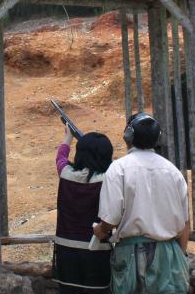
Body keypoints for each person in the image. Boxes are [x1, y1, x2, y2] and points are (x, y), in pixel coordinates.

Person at [93, 112, 190, 294]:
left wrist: (101, 230)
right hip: (170, 255)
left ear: (128, 135)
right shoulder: (173, 171)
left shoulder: (118, 169)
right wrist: (181, 256)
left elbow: (111, 218)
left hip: (132, 257)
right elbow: (185, 224)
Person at [54, 123, 113, 294]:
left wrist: (68, 137)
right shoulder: (108, 178)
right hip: (97, 251)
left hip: (65, 250)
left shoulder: (66, 173)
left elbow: (61, 158)